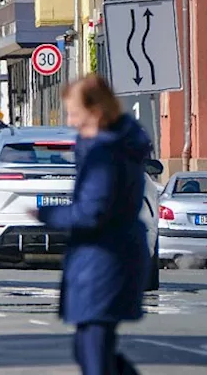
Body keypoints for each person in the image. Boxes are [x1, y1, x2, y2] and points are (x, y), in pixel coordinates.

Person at [32, 74, 149, 375]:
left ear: (95, 113)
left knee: (93, 352)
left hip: (103, 261)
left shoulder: (105, 153)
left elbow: (91, 212)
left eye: (75, 114)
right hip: (108, 258)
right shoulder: (117, 147)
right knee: (93, 349)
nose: (70, 122)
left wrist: (47, 214)